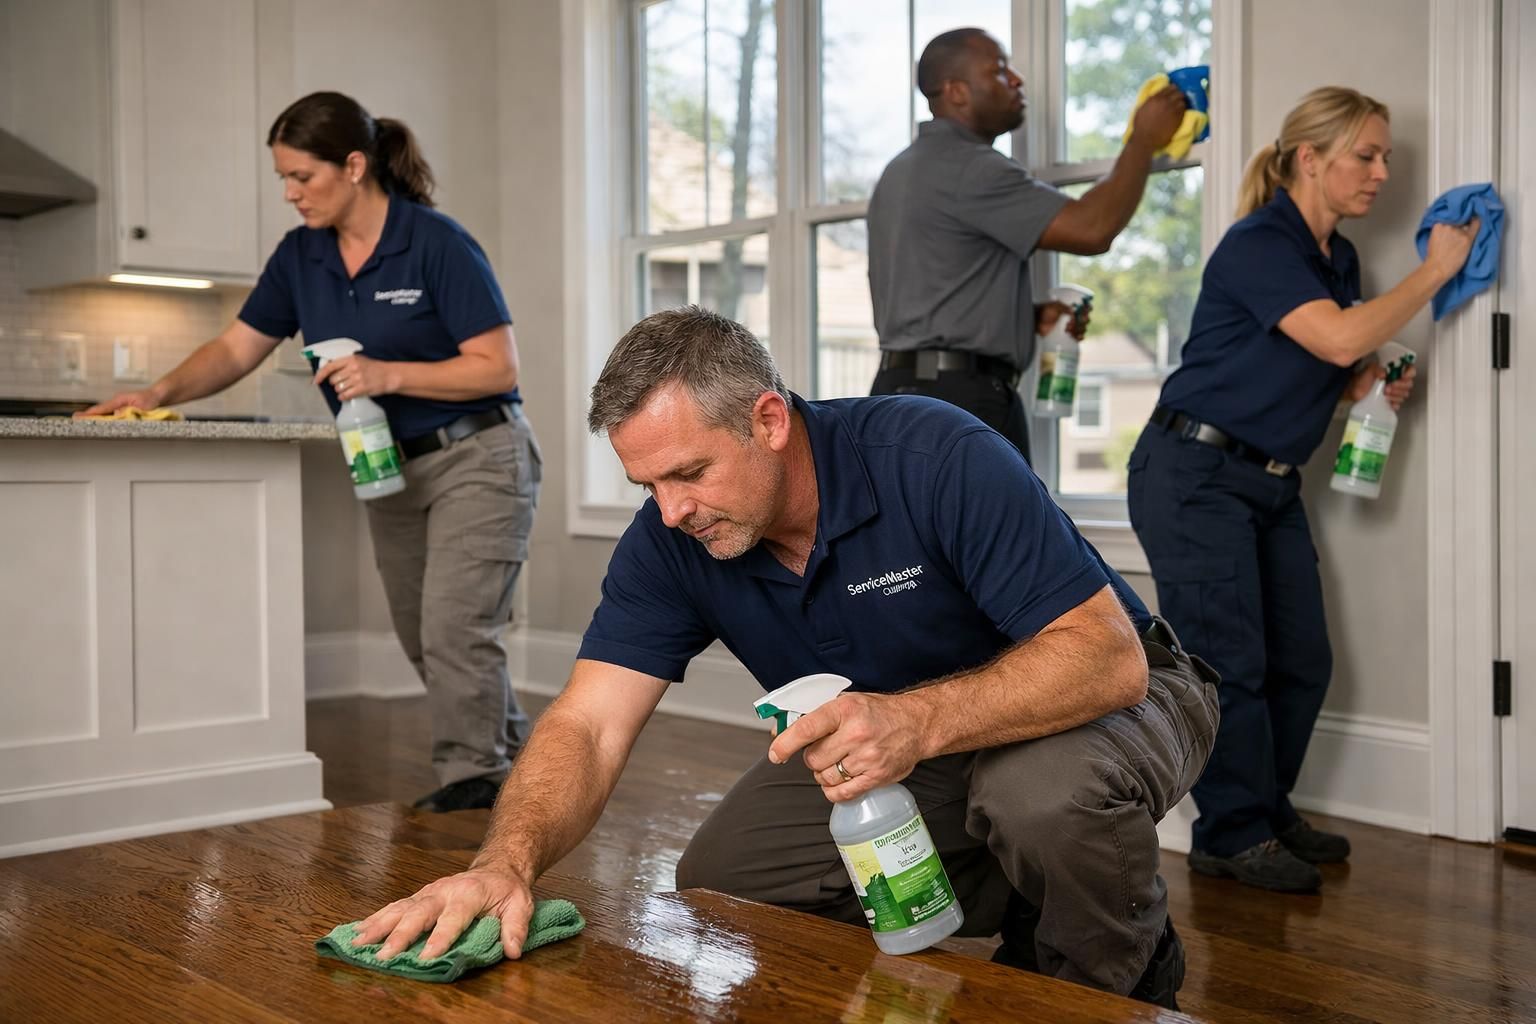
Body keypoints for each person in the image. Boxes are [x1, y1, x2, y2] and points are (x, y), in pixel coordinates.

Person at [347, 306, 1220, 1010]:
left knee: (1036, 797)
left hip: (1102, 694)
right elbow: (588, 722)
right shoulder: (670, 542)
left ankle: (1124, 974)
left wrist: (912, 719)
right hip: (914, 737)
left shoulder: (934, 454)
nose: (671, 510)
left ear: (768, 419)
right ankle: (1048, 889)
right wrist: (503, 864)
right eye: (646, 485)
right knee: (728, 881)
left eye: (688, 472)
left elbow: (1107, 660)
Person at [79, 92, 542, 813]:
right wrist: (152, 391)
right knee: (426, 636)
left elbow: (498, 367)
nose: (291, 194)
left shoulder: (434, 242)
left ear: (354, 166)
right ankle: (519, 760)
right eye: (284, 180)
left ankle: (472, 779)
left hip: (477, 455)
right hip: (389, 464)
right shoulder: (302, 256)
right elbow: (237, 348)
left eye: (303, 177)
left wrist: (391, 375)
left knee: (457, 629)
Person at [1126, 87, 1478, 892]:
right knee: (1231, 663)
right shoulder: (1259, 242)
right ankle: (1230, 834)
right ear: (1310, 159)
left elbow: (1321, 359)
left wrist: (1363, 388)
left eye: (1386, 156)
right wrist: (1437, 267)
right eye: (1367, 155)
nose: (1382, 172)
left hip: (1269, 482)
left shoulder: (1337, 259)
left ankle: (1266, 808)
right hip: (1193, 474)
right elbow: (1339, 333)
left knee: (1303, 661)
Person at [867, 27, 1188, 459]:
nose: (1017, 80)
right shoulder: (971, 168)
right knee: (995, 528)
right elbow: (1092, 228)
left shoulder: (902, 170)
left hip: (896, 395)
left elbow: (932, 290)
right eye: (999, 70)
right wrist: (1143, 140)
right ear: (956, 92)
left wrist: (1020, 315)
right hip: (960, 400)